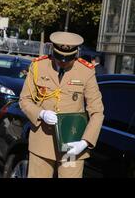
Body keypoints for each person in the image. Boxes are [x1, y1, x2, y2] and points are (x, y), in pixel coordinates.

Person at [19, 31, 104, 178]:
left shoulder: (86, 72)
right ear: (53, 50)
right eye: (59, 57)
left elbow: (97, 111)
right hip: (41, 143)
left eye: (68, 58)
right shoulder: (38, 66)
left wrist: (84, 142)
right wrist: (41, 113)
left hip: (72, 145)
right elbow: (24, 99)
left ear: (76, 54)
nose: (63, 62)